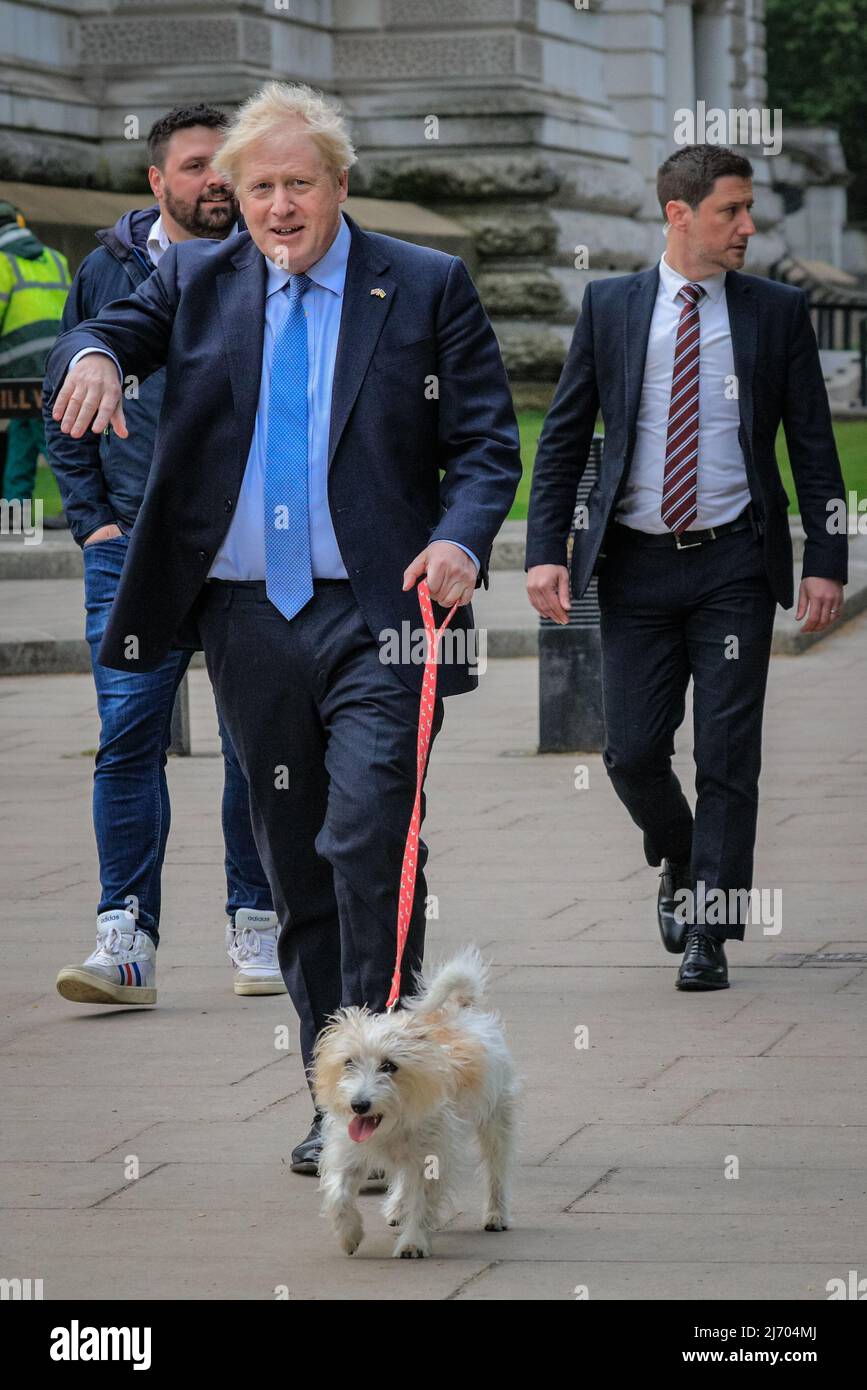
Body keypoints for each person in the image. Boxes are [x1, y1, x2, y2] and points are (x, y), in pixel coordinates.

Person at [44, 81, 522, 1172]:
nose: (276, 207)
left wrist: (458, 538)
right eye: (256, 188)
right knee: (298, 861)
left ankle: (388, 1066)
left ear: (339, 185)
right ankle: (341, 1094)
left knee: (370, 838)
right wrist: (95, 357)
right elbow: (116, 325)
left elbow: (491, 444)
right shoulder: (200, 277)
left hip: (382, 615)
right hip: (250, 620)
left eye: (296, 184)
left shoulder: (425, 284)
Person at [526, 144, 847, 991]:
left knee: (727, 752)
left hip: (733, 564)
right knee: (630, 752)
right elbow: (562, 439)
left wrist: (825, 560)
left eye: (747, 211)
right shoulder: (612, 307)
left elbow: (812, 446)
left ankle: (710, 926)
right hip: (633, 566)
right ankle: (678, 858)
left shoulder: (775, 312)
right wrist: (542, 552)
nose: (747, 226)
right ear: (679, 215)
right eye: (730, 212)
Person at [43, 104, 280, 1008]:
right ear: (157, 181)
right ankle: (125, 939)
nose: (214, 180)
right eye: (194, 166)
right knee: (129, 738)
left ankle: (255, 925)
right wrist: (92, 518)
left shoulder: (264, 260)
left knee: (254, 742)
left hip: (240, 544)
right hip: (130, 548)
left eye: (228, 164)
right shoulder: (106, 269)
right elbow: (67, 388)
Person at [0, 202, 70, 507]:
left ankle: (81, 510)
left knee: (49, 440)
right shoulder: (55, 258)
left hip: (20, 368)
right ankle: (15, 519)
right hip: (60, 362)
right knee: (23, 438)